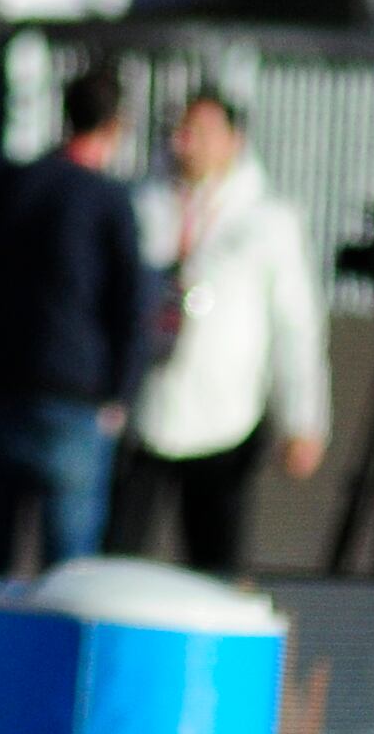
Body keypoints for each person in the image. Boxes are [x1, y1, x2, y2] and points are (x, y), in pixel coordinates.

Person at [0, 67, 153, 584]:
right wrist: (121, 393)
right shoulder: (108, 200)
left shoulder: (9, 184)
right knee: (70, 575)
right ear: (116, 127)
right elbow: (131, 307)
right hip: (71, 399)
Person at [107, 93, 330, 576]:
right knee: (119, 559)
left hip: (228, 418)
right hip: (145, 411)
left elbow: (296, 326)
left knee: (216, 564)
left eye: (203, 133)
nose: (187, 144)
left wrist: (302, 418)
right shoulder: (142, 206)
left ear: (235, 141)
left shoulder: (269, 220)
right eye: (182, 132)